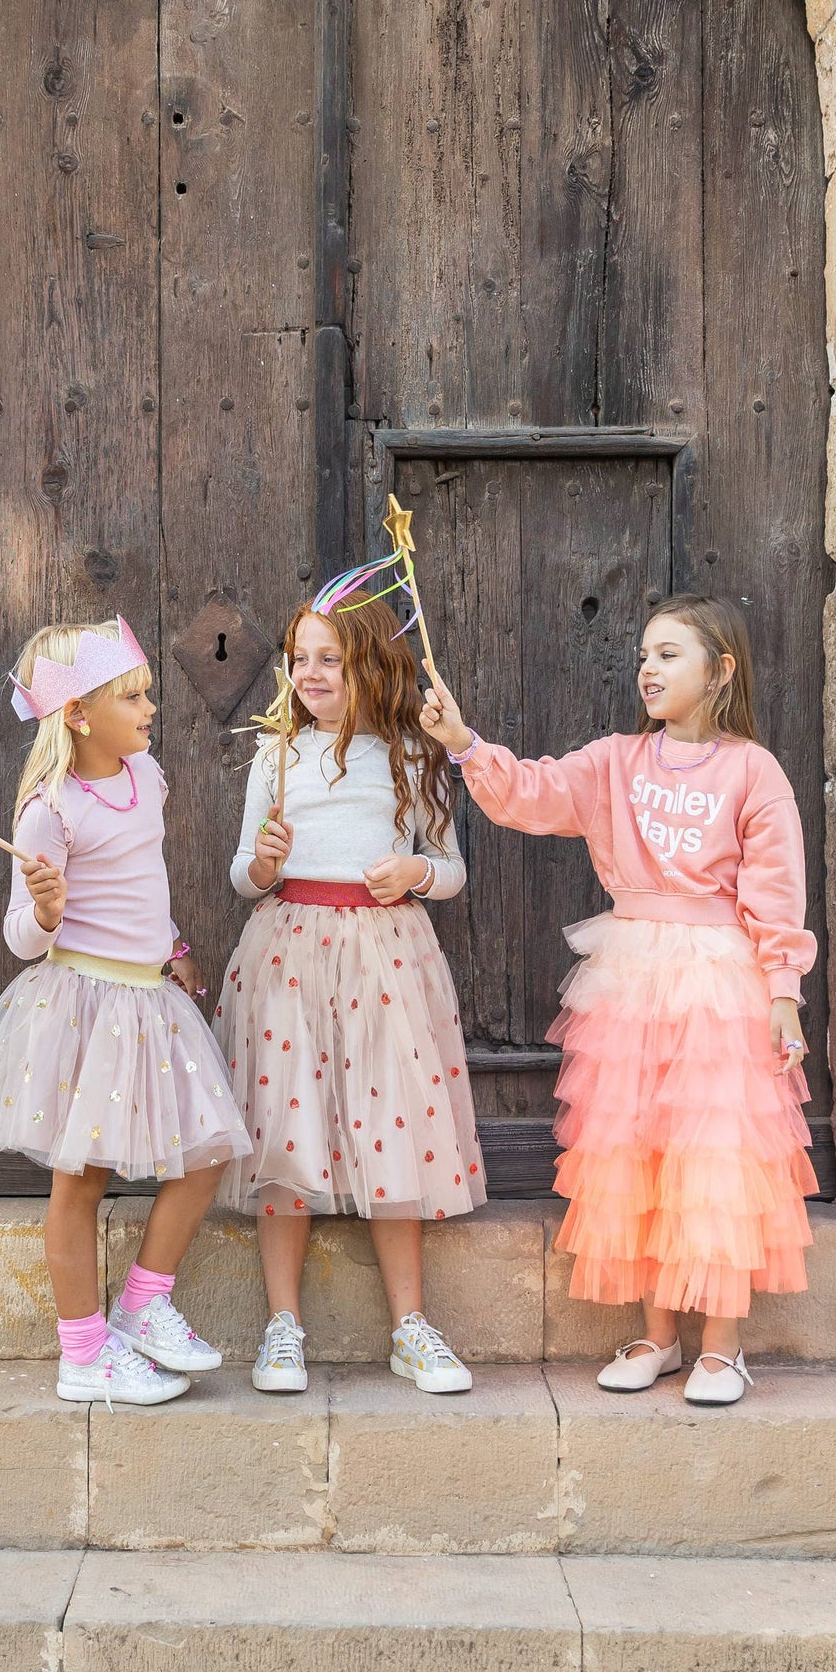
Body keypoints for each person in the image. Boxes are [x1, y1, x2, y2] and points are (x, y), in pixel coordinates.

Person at [418, 594, 815, 1406]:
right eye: (644, 654)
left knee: (714, 1160)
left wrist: (783, 991)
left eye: (670, 654)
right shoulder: (616, 762)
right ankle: (660, 1335)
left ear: (721, 671)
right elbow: (534, 793)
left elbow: (776, 889)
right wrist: (465, 746)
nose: (649, 668)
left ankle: (722, 1346)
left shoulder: (753, 770)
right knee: (637, 1149)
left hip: (717, 980)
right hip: (631, 973)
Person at [0, 616, 248, 1405]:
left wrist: (173, 942)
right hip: (85, 1006)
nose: (151, 708)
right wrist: (45, 912)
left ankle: (143, 1307)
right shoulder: (49, 810)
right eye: (133, 696)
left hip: (151, 999)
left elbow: (144, 881)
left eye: (147, 693)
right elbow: (21, 939)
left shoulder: (151, 778)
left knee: (207, 1154)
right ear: (78, 713)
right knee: (82, 1181)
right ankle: (83, 1355)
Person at [216, 595, 482, 1394]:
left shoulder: (411, 753)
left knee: (393, 1123)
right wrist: (263, 866)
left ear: (371, 662)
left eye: (329, 657)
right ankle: (283, 1325)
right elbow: (242, 875)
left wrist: (416, 874)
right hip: (289, 950)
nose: (309, 672)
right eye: (300, 657)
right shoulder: (277, 756)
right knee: (285, 1125)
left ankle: (410, 1325)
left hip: (385, 954)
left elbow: (452, 868)